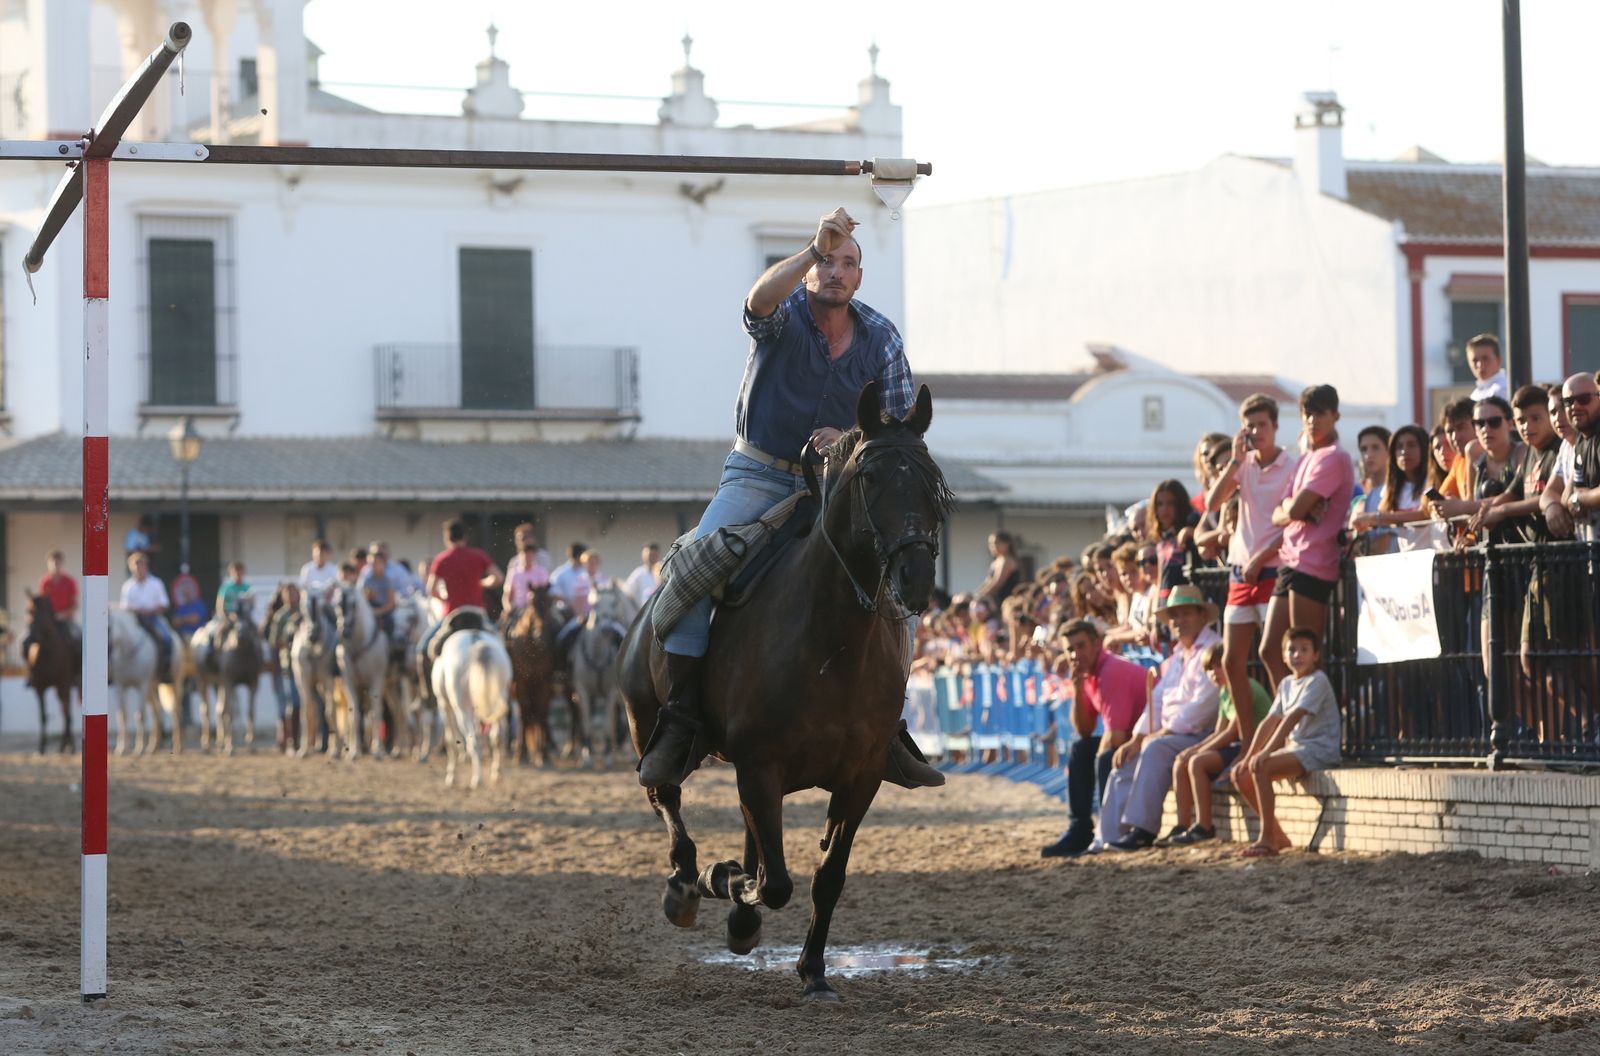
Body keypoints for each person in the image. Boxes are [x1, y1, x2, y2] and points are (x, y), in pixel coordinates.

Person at [638, 205, 941, 791]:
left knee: (892, 589)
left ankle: (888, 727)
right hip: (756, 473)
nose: (835, 271)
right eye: (826, 261)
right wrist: (811, 246)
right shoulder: (784, 316)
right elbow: (756, 302)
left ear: (859, 277)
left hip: (835, 484)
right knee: (696, 569)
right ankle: (679, 721)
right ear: (808, 271)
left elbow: (899, 426)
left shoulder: (881, 336)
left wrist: (851, 439)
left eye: (847, 263)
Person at [1099, 584, 1223, 852]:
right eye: (1174, 616)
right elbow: (1156, 698)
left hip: (1200, 734)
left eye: (1186, 614)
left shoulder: (1213, 648)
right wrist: (1137, 737)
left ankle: (1143, 830)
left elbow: (1205, 706)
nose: (1179, 622)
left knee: (1154, 749)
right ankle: (1108, 837)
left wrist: (1161, 733)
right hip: (1172, 733)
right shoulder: (1178, 654)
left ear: (1202, 616)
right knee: (1124, 757)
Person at [1206, 392, 1297, 746]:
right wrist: (1234, 460)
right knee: (1231, 663)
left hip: (1273, 568)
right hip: (1240, 572)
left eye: (1262, 425)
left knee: (1273, 654)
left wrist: (1261, 558)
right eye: (1250, 426)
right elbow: (1213, 503)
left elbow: (1293, 524)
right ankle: (1247, 741)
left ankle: (1286, 736)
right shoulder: (1242, 466)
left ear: (1275, 426)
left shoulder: (1291, 467)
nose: (1257, 431)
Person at [1261, 384, 1356, 671]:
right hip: (1290, 560)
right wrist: (1294, 509)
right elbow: (1278, 513)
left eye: (1320, 414)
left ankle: (1311, 715)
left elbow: (1293, 509)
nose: (1312, 421)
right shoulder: (1305, 458)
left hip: (1314, 563)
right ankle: (1291, 712)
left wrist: (1293, 509)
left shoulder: (1334, 457)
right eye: (1307, 414)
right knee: (1270, 651)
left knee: (1306, 657)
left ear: (1335, 416)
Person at [1040, 619, 1149, 858]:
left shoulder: (1111, 670)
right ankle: (1079, 828)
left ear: (1097, 645)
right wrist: (1078, 688)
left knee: (1104, 757)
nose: (1075, 654)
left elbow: (1116, 736)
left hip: (1151, 738)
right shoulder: (1087, 674)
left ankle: (1106, 830)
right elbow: (1085, 730)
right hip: (1134, 739)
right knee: (1081, 749)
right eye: (1070, 649)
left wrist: (1100, 754)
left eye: (1081, 646)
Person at [1231, 627, 1342, 858]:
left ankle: (1266, 839)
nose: (1297, 655)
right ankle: (1277, 835)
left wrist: (1266, 753)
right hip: (1296, 748)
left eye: (1304, 650)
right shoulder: (1287, 684)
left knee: (1262, 766)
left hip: (1318, 748)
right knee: (1240, 774)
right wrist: (1250, 754)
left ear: (1315, 655)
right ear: (1283, 655)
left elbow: (1292, 718)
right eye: (1292, 650)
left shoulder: (1317, 680)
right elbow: (1270, 721)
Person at [1168, 641, 1273, 845]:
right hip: (1238, 744)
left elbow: (1232, 732)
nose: (1215, 672)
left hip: (1255, 745)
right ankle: (1182, 824)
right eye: (1210, 668)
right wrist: (1192, 749)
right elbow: (1219, 730)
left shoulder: (1243, 687)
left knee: (1196, 763)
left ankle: (1204, 825)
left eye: (1219, 665)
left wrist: (1197, 753)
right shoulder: (1224, 692)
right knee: (1181, 761)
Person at [418, 519, 503, 697]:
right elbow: (498, 578)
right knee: (503, 646)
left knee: (423, 650)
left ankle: (427, 697)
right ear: (465, 536)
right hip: (478, 615)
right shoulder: (478, 555)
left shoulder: (441, 559)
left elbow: (430, 589)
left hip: (452, 617)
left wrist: (445, 597)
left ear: (447, 538)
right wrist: (481, 584)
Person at [120, 551, 173, 681]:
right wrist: (137, 610)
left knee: (166, 639)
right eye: (136, 567)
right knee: (117, 639)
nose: (139, 570)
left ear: (146, 567)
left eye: (141, 566)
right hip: (134, 620)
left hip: (153, 618)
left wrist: (150, 611)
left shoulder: (156, 583)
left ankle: (165, 670)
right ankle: (114, 672)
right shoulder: (128, 586)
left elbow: (164, 604)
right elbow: (124, 606)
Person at [1348, 424, 1393, 554]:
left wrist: (1357, 549)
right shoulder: (1367, 498)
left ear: (1389, 451)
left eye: (1375, 448)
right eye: (1364, 449)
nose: (1368, 454)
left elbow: (1383, 544)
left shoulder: (1394, 492)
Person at [502, 523, 553, 616]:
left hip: (539, 607)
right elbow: (509, 592)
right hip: (518, 608)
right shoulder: (514, 562)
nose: (522, 541)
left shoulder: (543, 557)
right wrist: (508, 608)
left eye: (524, 538)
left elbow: (546, 586)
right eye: (519, 539)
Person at [358, 547, 399, 639]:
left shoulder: (388, 579)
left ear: (383, 564)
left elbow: (391, 603)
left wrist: (378, 612)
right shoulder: (366, 578)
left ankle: (390, 645)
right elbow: (360, 596)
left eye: (376, 563)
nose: (373, 566)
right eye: (370, 564)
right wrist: (367, 597)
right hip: (368, 608)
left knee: (389, 622)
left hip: (384, 610)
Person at [550, 542, 594, 621]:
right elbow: (552, 593)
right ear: (578, 556)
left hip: (587, 611)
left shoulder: (587, 572)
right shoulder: (560, 573)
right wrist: (569, 601)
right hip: (566, 612)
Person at [976, 531, 1022, 606]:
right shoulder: (996, 562)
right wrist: (977, 594)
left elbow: (996, 584)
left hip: (1005, 601)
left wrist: (980, 597)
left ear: (1007, 544)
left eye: (996, 543)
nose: (993, 546)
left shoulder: (1007, 561)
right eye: (990, 544)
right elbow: (988, 582)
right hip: (995, 600)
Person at [1466, 332, 1509, 402]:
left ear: (1498, 360)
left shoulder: (1503, 389)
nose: (1479, 365)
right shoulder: (1474, 395)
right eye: (1474, 360)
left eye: (1485, 359)